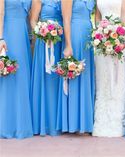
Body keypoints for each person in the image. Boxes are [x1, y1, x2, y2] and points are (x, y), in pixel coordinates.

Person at [92, 0, 125, 137]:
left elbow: (124, 19)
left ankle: (118, 121)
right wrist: (99, 33)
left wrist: (117, 38)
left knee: (117, 78)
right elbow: (97, 17)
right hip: (101, 40)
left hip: (118, 39)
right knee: (103, 79)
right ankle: (102, 120)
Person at [56, 0, 95, 134]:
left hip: (87, 37)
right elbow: (66, 20)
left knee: (85, 75)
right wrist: (68, 44)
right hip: (75, 35)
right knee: (75, 75)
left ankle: (85, 121)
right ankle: (73, 122)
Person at [0, 0, 33, 139]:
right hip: (9, 33)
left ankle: (22, 124)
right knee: (10, 77)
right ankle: (7, 126)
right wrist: (1, 38)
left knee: (22, 77)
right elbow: (0, 13)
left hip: (23, 35)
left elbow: (30, 16)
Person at [30, 0, 62, 136]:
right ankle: (43, 123)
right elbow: (32, 20)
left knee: (56, 81)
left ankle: (58, 123)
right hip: (44, 44)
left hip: (59, 42)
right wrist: (41, 32)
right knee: (46, 80)